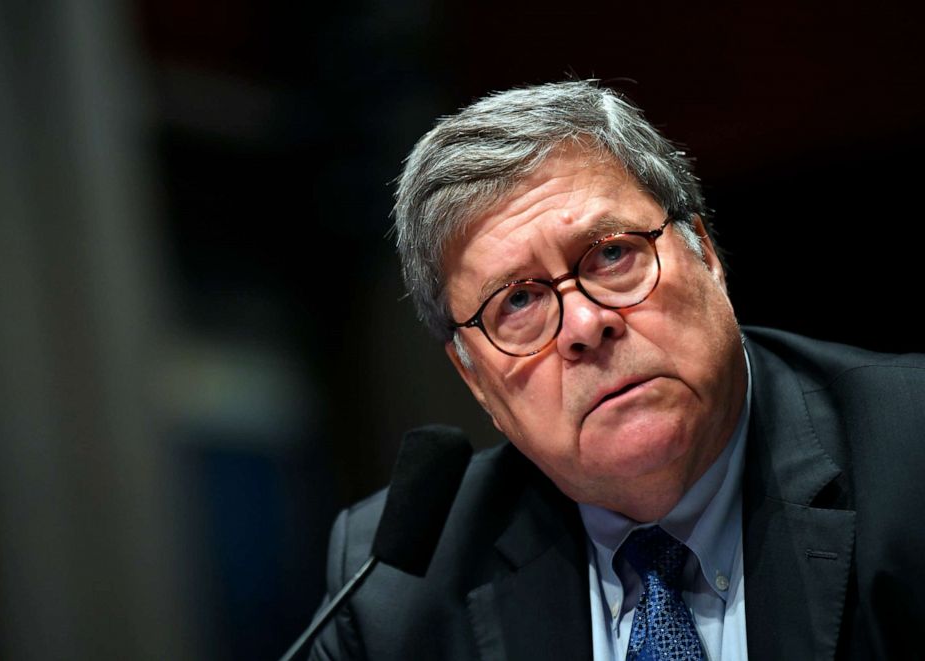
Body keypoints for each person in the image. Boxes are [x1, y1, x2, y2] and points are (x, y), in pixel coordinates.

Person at [310, 80, 925, 660]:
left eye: (611, 254)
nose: (583, 325)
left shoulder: (909, 450)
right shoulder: (395, 587)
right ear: (475, 378)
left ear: (705, 256)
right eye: (517, 301)